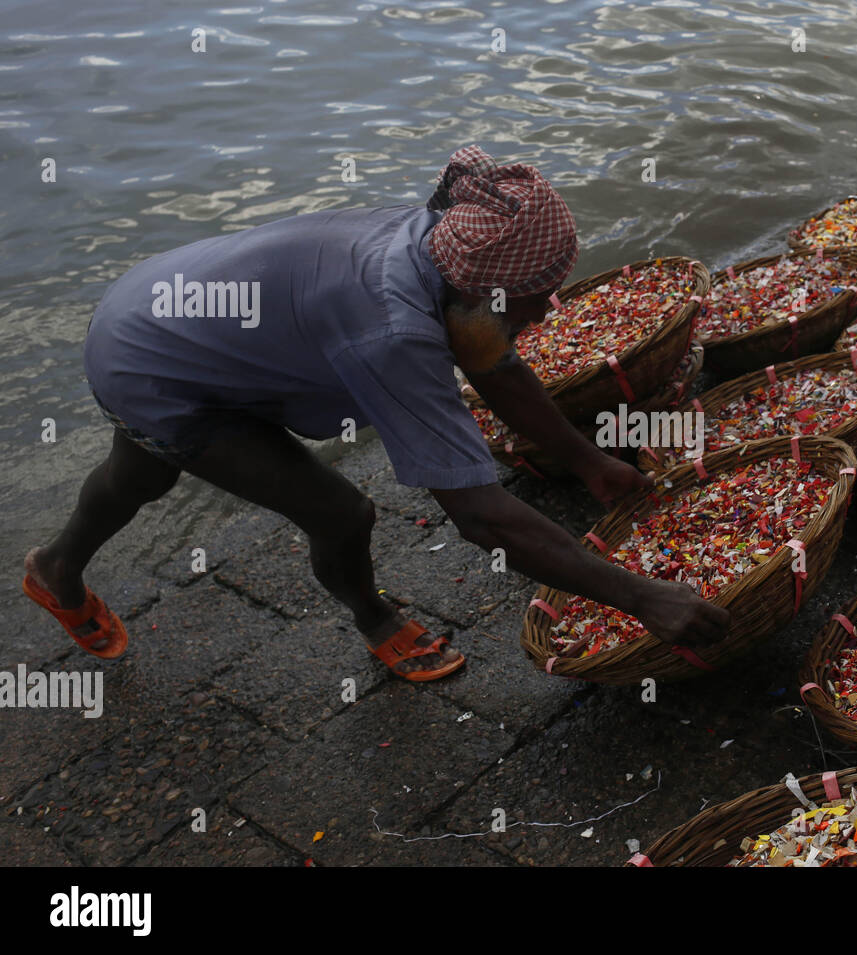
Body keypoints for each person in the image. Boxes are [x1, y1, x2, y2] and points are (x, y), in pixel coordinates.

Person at [23, 145, 730, 681]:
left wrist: (587, 461)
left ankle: (54, 568)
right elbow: (479, 515)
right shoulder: (393, 333)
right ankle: (376, 618)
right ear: (482, 294)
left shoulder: (445, 244)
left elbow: (496, 365)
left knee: (141, 472)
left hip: (159, 305)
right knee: (339, 512)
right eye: (537, 296)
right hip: (156, 359)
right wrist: (641, 597)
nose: (550, 307)